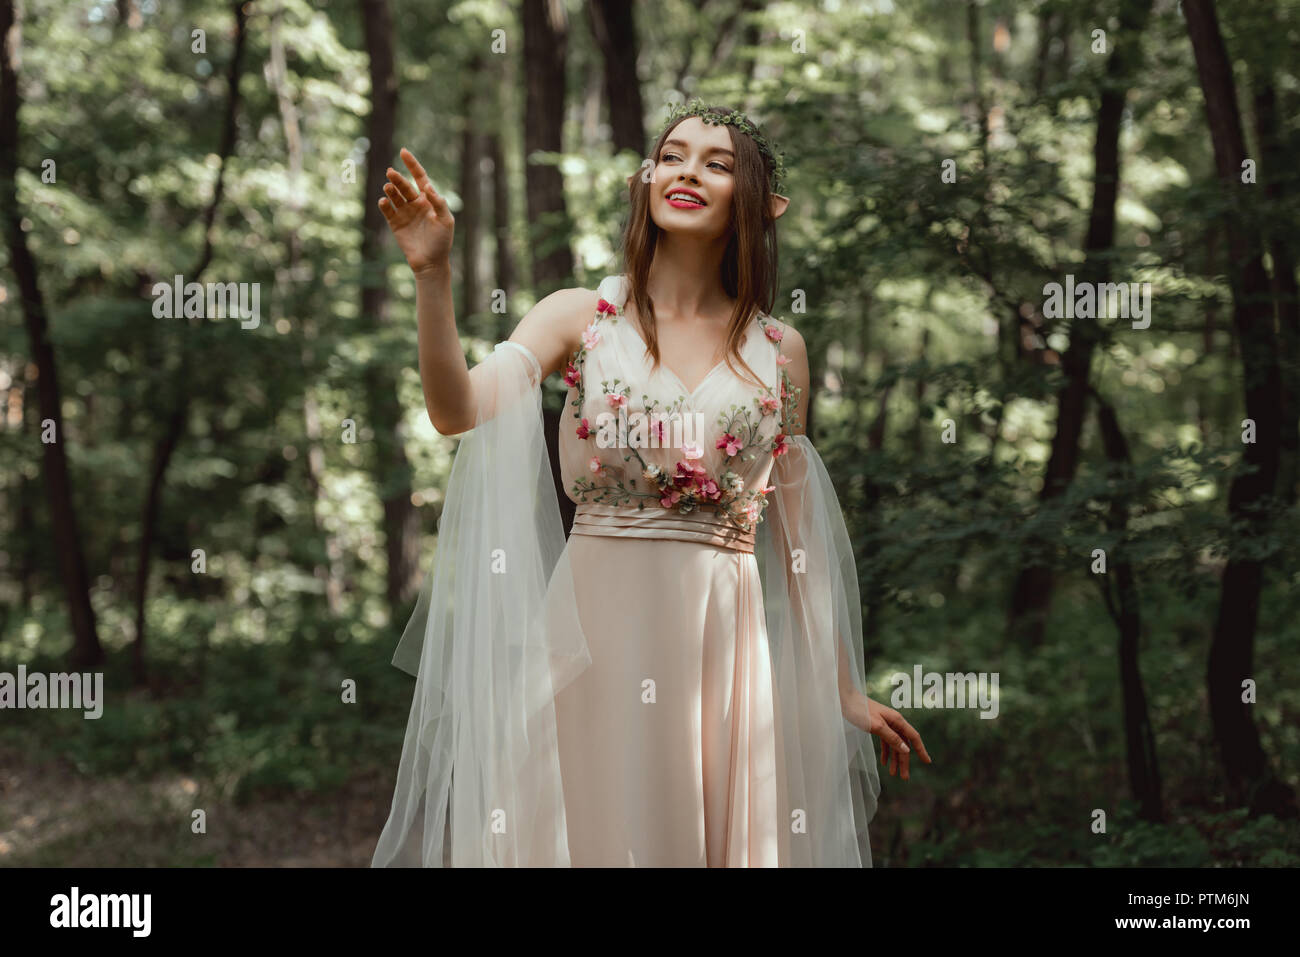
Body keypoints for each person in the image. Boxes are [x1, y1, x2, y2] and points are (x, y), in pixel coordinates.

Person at [370, 100, 930, 867]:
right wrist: (432, 275)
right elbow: (454, 409)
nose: (687, 171)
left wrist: (842, 686)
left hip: (722, 661)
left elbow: (803, 543)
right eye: (672, 155)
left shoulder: (780, 349)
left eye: (717, 161)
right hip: (591, 645)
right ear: (648, 179)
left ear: (760, 202)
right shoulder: (581, 316)